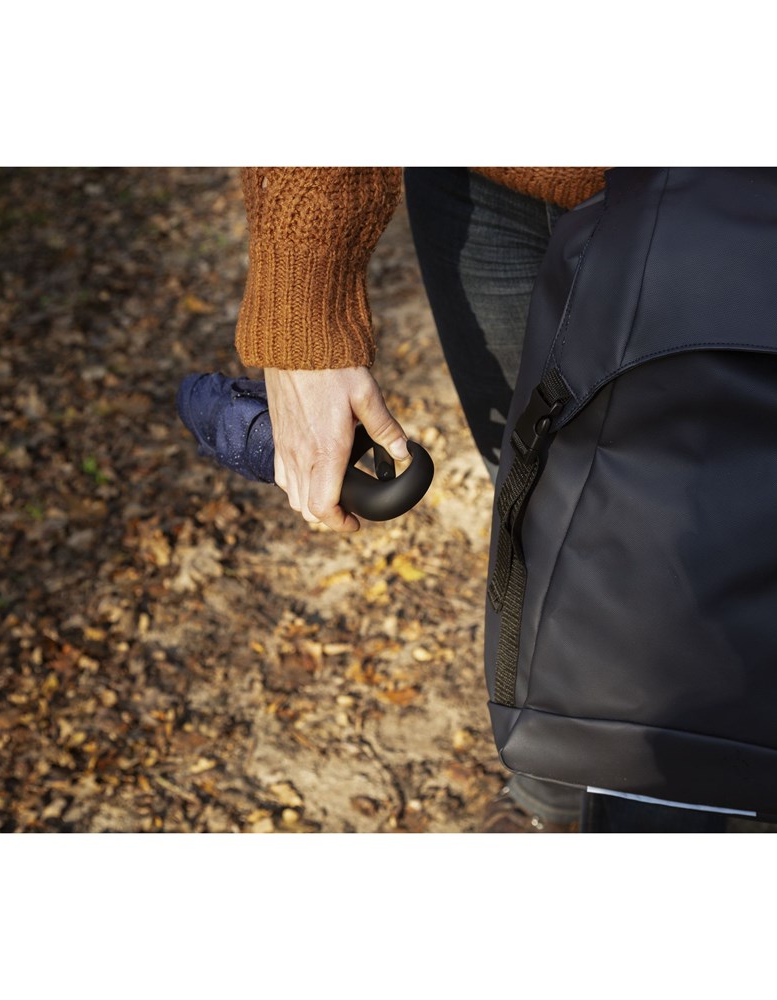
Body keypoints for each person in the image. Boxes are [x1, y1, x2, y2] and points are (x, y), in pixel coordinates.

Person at [235, 166, 727, 833]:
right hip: (484, 188)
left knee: (683, 541)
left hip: (714, 195)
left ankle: (659, 812)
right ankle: (554, 790)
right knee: (536, 514)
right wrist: (307, 307)